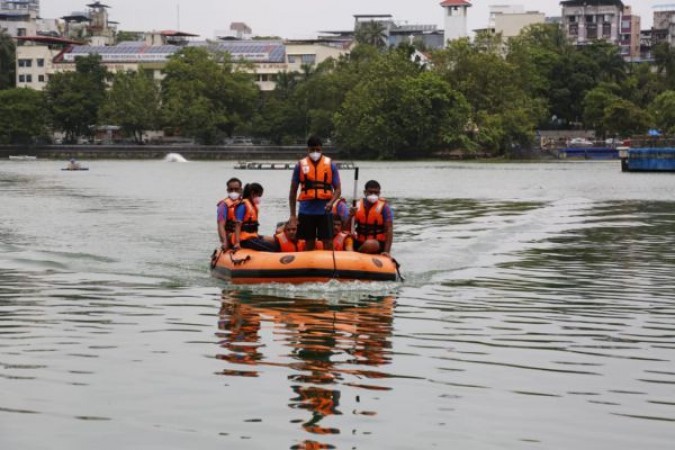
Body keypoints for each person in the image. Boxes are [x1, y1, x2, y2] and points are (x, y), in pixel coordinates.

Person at [288, 135, 342, 251]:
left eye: (317, 150)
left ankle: (329, 265)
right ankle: (309, 266)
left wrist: (331, 202)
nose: (315, 152)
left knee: (328, 241)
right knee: (309, 241)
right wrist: (293, 215)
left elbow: (338, 190)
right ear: (308, 150)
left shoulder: (330, 165)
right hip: (306, 210)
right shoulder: (300, 166)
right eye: (312, 150)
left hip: (325, 210)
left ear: (321, 149)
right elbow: (293, 192)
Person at [351, 180, 393, 256]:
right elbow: (348, 228)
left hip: (377, 243)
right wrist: (350, 216)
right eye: (370, 192)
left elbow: (389, 230)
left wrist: (387, 251)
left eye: (376, 192)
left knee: (371, 244)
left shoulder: (385, 208)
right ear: (365, 192)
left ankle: (357, 254)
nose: (373, 195)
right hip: (359, 241)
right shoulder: (357, 205)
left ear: (379, 193)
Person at [232, 183, 277, 252]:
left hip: (253, 236)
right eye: (259, 195)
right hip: (244, 239)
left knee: (276, 242)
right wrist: (237, 243)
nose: (259, 198)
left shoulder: (253, 206)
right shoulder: (242, 206)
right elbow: (238, 225)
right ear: (252, 193)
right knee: (272, 248)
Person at [217, 177, 242, 250]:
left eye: (236, 189)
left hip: (243, 234)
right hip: (230, 235)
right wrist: (224, 242)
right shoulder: (223, 205)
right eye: (231, 189)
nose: (233, 191)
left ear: (240, 190)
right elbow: (221, 225)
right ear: (227, 190)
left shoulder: (244, 203)